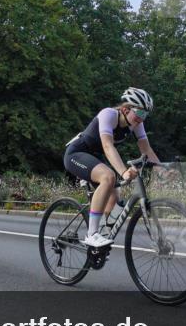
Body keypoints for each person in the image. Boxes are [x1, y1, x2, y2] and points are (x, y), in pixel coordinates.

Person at [63, 87, 163, 247]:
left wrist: (162, 169)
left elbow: (146, 149)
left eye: (146, 115)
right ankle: (92, 235)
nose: (142, 119)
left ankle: (99, 239)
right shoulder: (108, 114)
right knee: (108, 177)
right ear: (125, 109)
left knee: (115, 198)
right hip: (76, 154)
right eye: (140, 113)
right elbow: (108, 146)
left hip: (95, 158)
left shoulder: (136, 123)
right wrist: (123, 172)